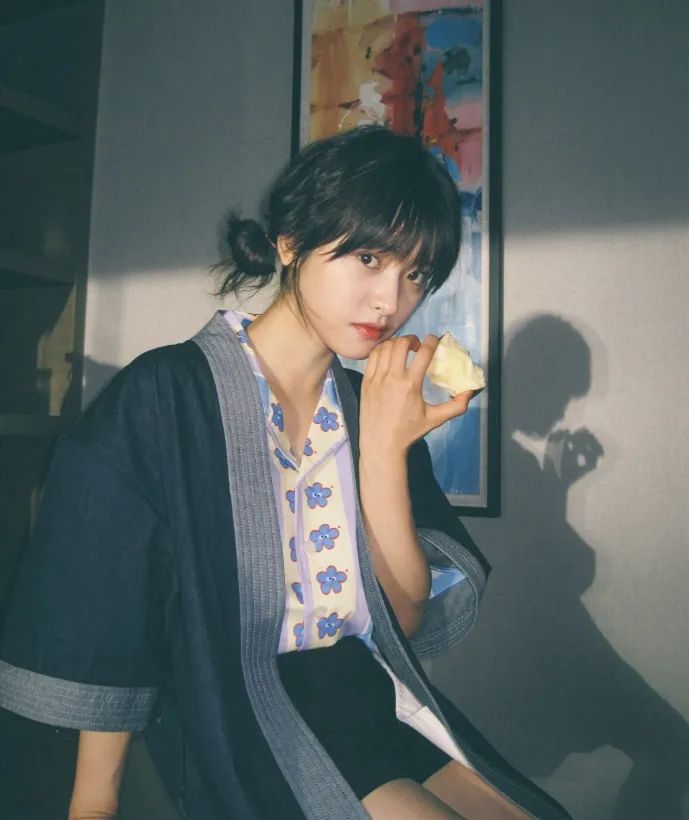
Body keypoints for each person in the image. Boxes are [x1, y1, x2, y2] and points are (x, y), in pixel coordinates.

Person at [0, 126, 572, 820]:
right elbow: (109, 601)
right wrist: (95, 798)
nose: (389, 300)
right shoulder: (167, 394)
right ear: (290, 242)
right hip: (248, 710)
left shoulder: (368, 403)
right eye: (368, 258)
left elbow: (403, 618)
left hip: (366, 691)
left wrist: (383, 452)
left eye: (416, 274)